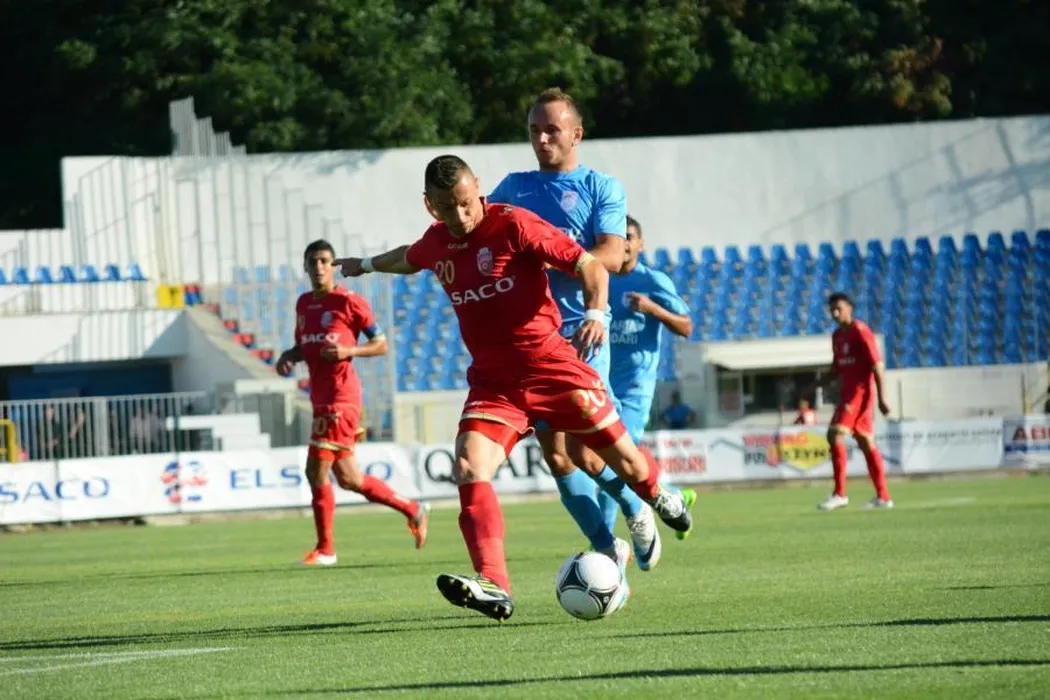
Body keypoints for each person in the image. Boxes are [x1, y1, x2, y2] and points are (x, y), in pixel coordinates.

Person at [338, 155, 693, 622]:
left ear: (478, 190)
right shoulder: (438, 241)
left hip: (554, 369)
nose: (460, 215)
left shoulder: (514, 224)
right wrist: (364, 264)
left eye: (466, 203)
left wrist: (594, 315)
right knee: (469, 465)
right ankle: (494, 584)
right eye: (447, 207)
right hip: (495, 384)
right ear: (430, 206)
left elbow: (589, 265)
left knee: (619, 462)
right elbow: (409, 257)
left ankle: (660, 494)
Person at [487, 87, 662, 572]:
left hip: (584, 331)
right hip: (532, 339)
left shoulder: (601, 187)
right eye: (534, 131)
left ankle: (635, 505)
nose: (541, 139)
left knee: (587, 451)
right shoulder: (513, 188)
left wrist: (553, 257)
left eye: (552, 130)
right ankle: (607, 545)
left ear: (576, 134)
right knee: (558, 457)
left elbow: (613, 255)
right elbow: (478, 232)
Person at [276, 239, 430, 566]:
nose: (319, 267)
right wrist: (289, 355)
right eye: (313, 261)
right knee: (349, 479)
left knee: (315, 469)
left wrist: (350, 351)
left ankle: (326, 550)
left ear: (333, 266)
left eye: (324, 261)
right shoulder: (304, 304)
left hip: (342, 399)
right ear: (305, 267)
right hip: (320, 399)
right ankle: (412, 508)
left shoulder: (349, 302)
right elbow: (305, 347)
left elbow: (381, 344)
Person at [601, 215, 697, 542]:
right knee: (616, 460)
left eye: (630, 236)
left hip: (635, 388)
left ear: (640, 243)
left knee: (611, 459)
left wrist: (652, 308)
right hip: (603, 385)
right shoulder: (601, 277)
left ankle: (603, 543)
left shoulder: (652, 281)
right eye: (619, 236)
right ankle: (674, 496)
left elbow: (686, 327)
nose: (624, 243)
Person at [817, 292, 894, 511]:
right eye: (832, 310)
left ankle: (840, 494)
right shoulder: (837, 336)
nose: (835, 313)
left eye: (838, 309)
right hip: (847, 393)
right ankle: (883, 496)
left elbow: (877, 365)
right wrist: (814, 385)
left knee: (834, 434)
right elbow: (836, 369)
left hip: (859, 394)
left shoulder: (860, 331)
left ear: (849, 309)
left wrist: (882, 398)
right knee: (865, 442)